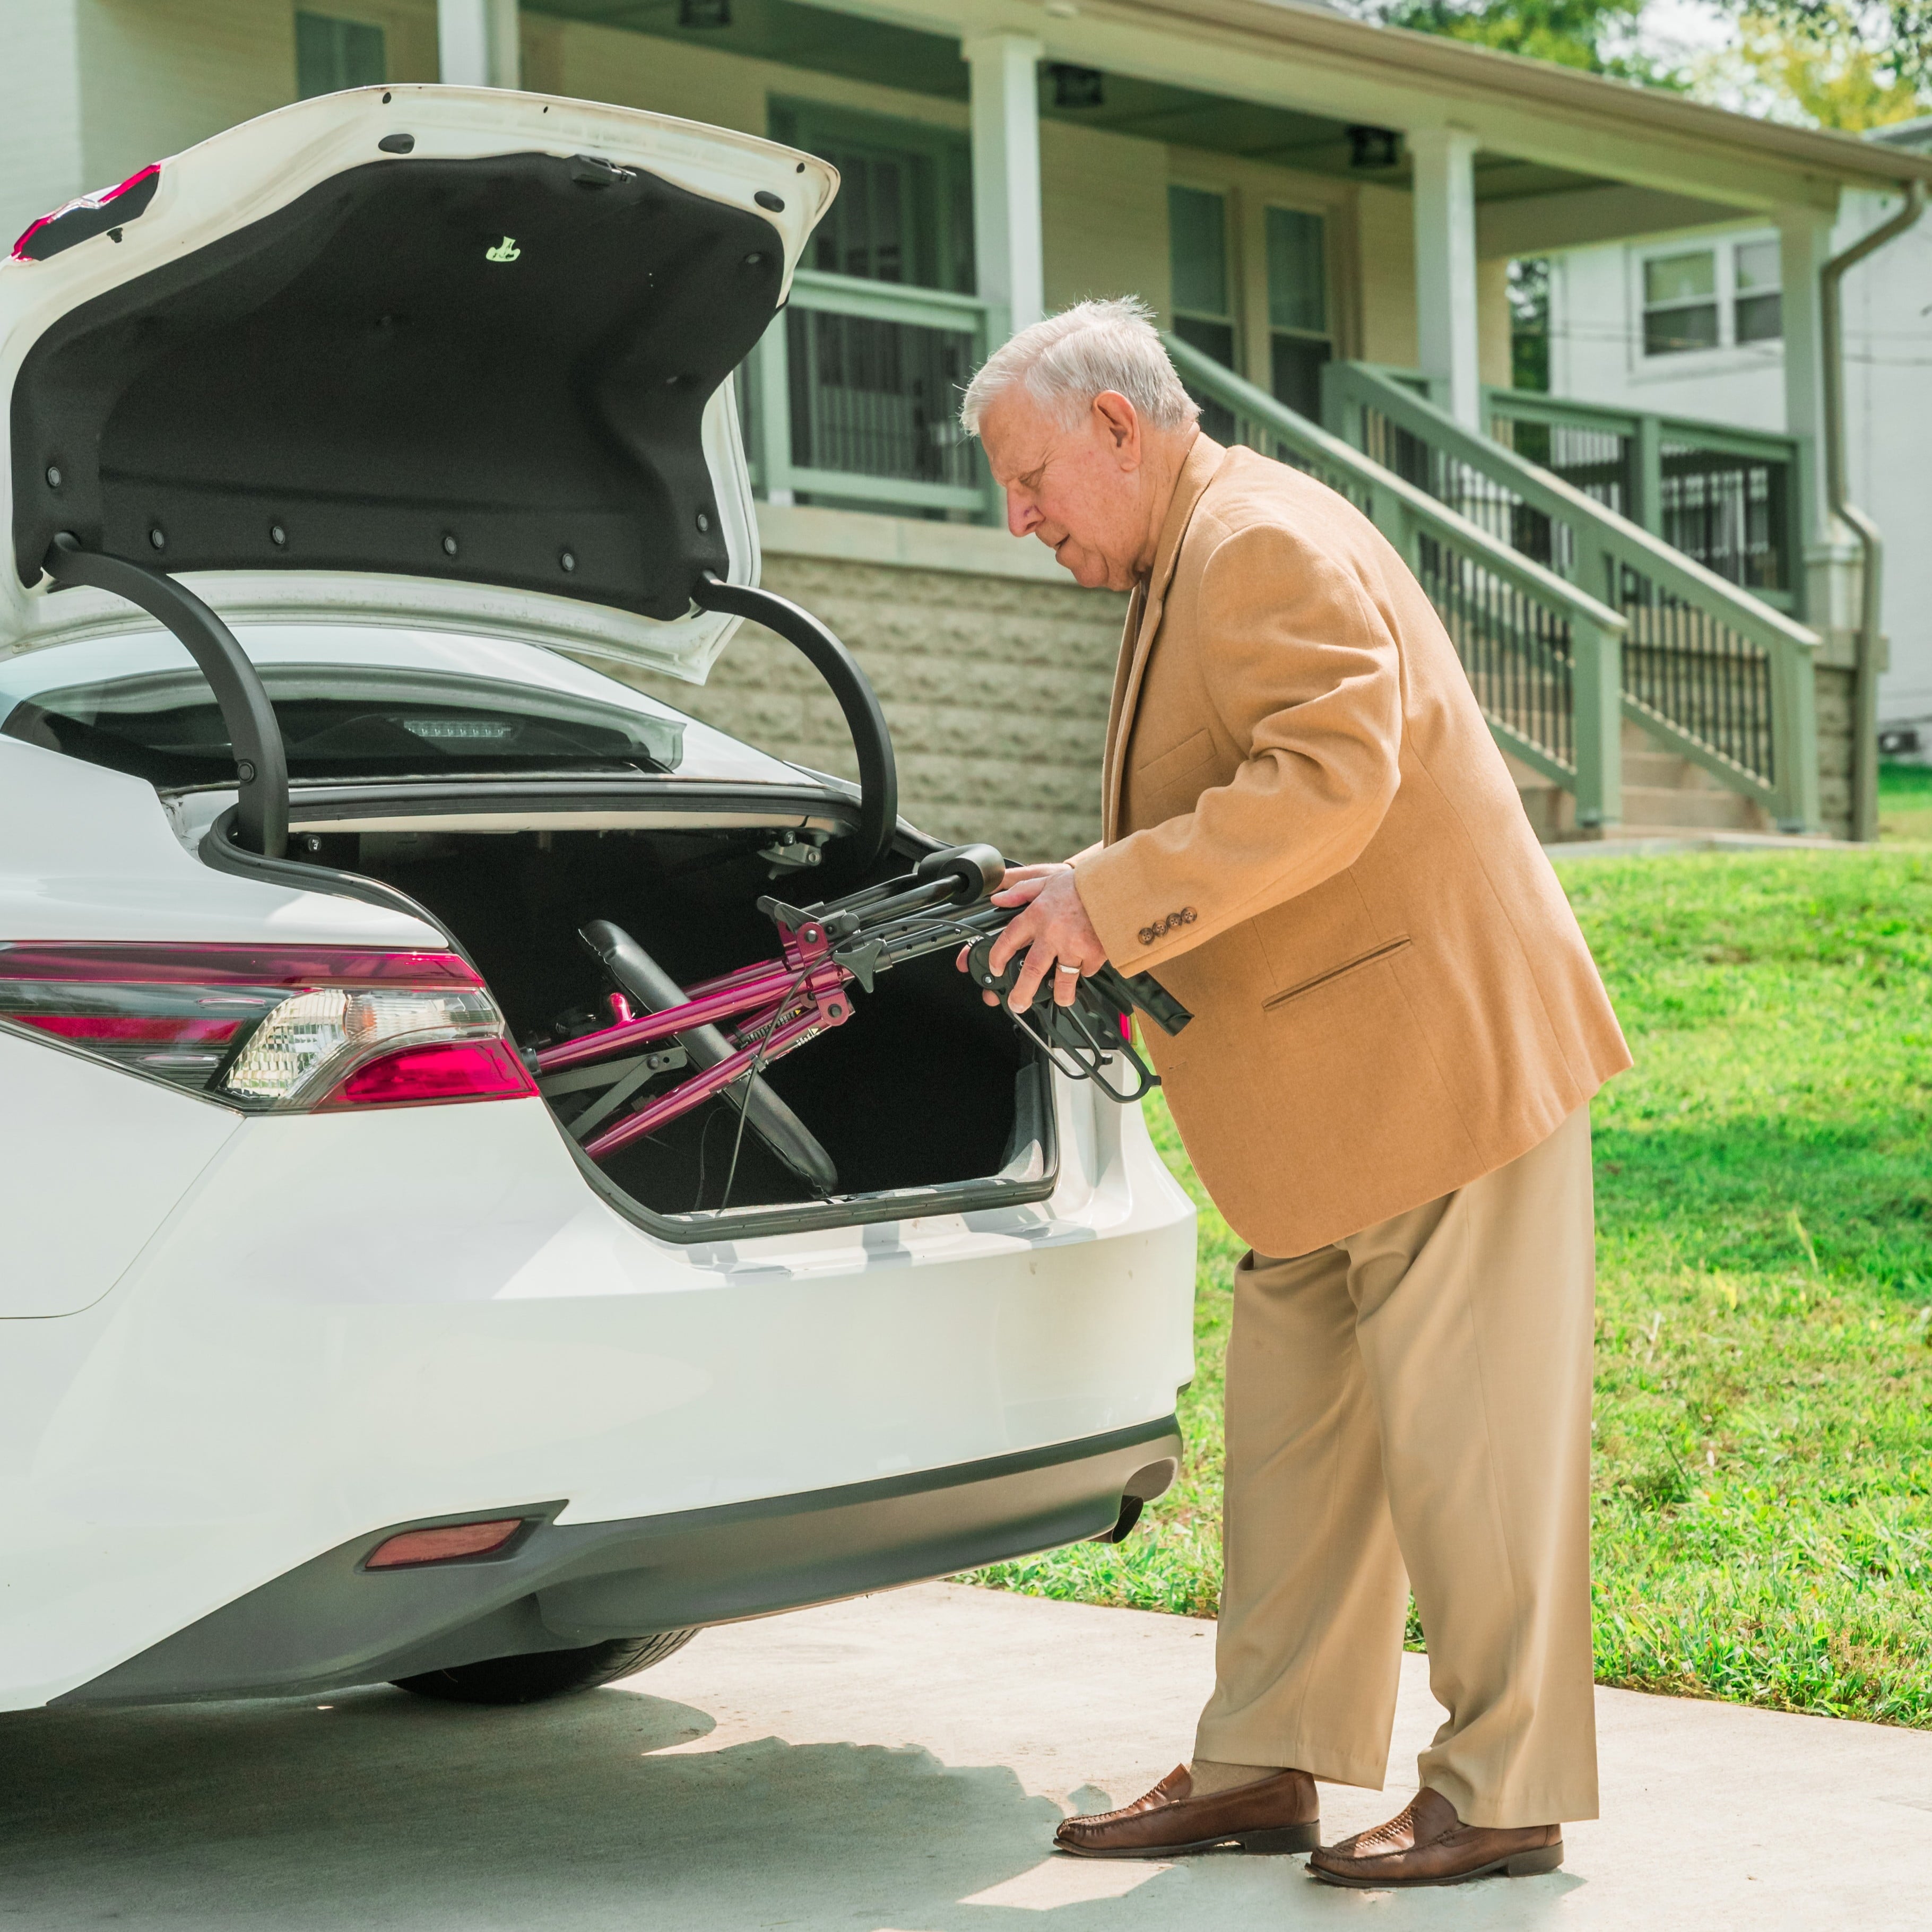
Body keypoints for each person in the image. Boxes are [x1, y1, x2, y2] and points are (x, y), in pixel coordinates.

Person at [959, 298, 1629, 1890]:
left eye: (1032, 474)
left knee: (1473, 1452)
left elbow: (1336, 768)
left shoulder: (1256, 538)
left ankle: (1504, 1788)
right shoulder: (1198, 543)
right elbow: (1249, 781)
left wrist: (1115, 898)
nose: (1021, 514)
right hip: (1330, 1102)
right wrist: (1092, 882)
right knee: (1288, 1454)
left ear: (1119, 428)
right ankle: (1265, 1761)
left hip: (1435, 1073)